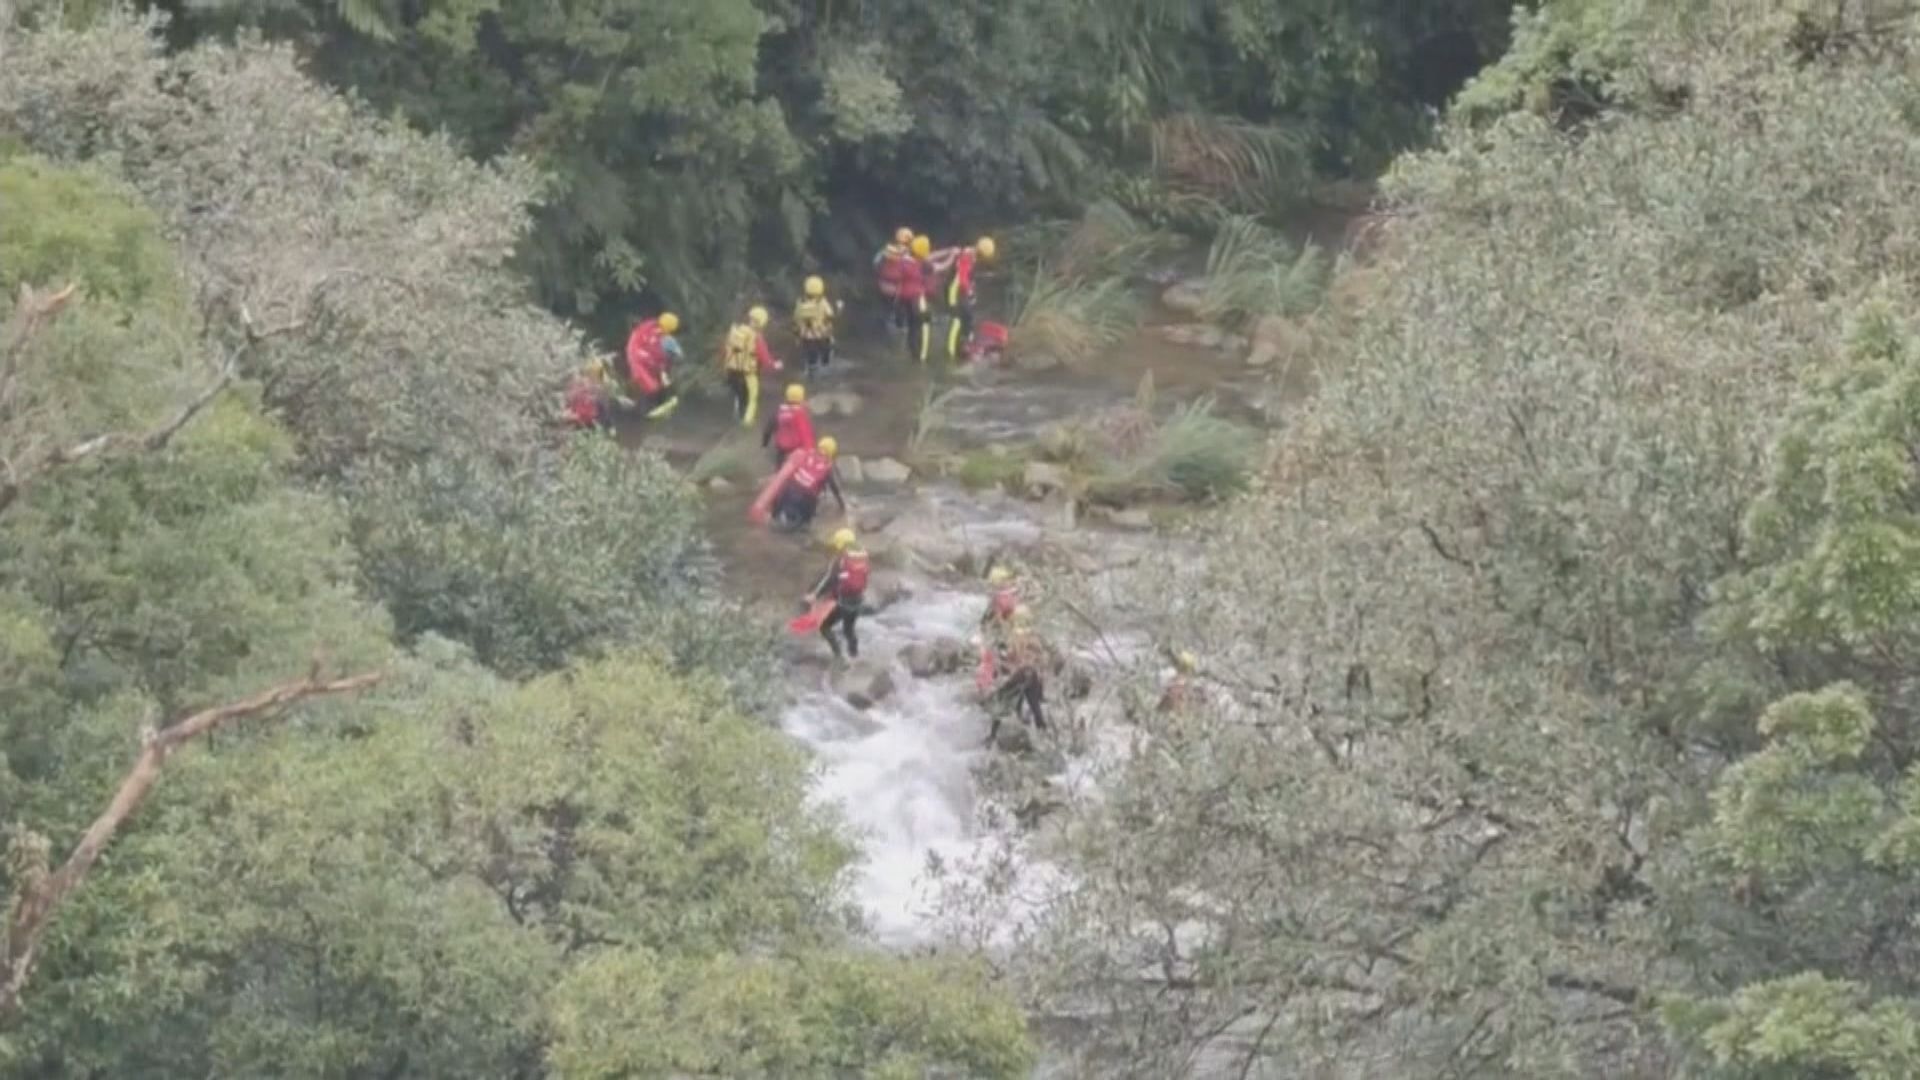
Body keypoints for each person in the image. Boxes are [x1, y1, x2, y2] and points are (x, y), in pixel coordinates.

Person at [986, 606, 1048, 744]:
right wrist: (1041, 688)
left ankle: (992, 736)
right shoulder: (1035, 638)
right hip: (1034, 676)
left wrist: (999, 666)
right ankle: (1043, 735)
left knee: (1001, 699)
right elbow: (1042, 663)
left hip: (1022, 674)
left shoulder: (1017, 637)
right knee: (1034, 706)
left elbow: (1011, 660)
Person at [929, 236, 996, 362]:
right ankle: (951, 352)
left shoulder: (971, 255)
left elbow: (967, 277)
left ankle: (964, 344)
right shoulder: (967, 256)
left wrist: (970, 289)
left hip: (958, 290)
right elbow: (962, 276)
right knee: (957, 319)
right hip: (954, 291)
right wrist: (969, 291)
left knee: (967, 317)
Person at [809, 527, 869, 662]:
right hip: (858, 601)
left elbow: (829, 579)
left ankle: (839, 656)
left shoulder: (841, 560)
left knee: (824, 627)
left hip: (843, 603)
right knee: (849, 629)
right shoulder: (862, 556)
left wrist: (815, 595)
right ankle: (854, 655)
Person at [721, 305, 781, 426]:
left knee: (739, 395)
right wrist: (775, 365)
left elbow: (725, 350)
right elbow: (764, 358)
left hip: (732, 371)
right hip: (748, 374)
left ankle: (737, 415)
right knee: (751, 397)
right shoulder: (756, 337)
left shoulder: (736, 331)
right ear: (763, 322)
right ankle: (747, 422)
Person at [771, 436, 846, 529]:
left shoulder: (807, 454)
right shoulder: (827, 467)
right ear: (832, 453)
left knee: (777, 508)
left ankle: (774, 515)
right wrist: (842, 505)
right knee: (806, 524)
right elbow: (835, 489)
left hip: (789, 489)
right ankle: (805, 525)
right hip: (807, 497)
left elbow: (789, 467)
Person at [623, 312, 683, 418]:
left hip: (644, 357)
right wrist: (661, 367)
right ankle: (644, 412)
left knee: (656, 383)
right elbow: (655, 352)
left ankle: (654, 404)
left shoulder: (654, 328)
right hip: (638, 358)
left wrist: (662, 368)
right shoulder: (653, 334)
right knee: (650, 386)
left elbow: (656, 353)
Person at [899, 234, 935, 364]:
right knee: (923, 329)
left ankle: (913, 355)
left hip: (907, 300)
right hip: (918, 299)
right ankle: (922, 359)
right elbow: (935, 267)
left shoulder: (904, 261)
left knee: (912, 328)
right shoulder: (921, 265)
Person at [761, 383, 817, 465]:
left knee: (780, 471)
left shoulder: (779, 411)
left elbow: (768, 429)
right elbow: (807, 433)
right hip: (797, 450)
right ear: (802, 398)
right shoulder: (802, 414)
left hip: (782, 451)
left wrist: (764, 444)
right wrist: (811, 450)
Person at [793, 276, 838, 375]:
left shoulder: (800, 302)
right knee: (827, 349)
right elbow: (830, 315)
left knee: (810, 357)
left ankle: (811, 369)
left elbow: (796, 318)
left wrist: (797, 334)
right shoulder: (822, 302)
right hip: (821, 334)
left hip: (805, 336)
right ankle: (825, 363)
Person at [874, 227, 913, 331]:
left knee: (887, 308)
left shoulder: (885, 250)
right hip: (896, 289)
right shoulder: (907, 254)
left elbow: (876, 264)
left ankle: (885, 323)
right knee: (902, 305)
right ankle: (901, 325)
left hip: (882, 285)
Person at [564, 357, 612, 429]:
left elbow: (597, 406)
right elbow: (569, 405)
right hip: (584, 419)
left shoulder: (592, 386)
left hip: (593, 419)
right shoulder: (573, 388)